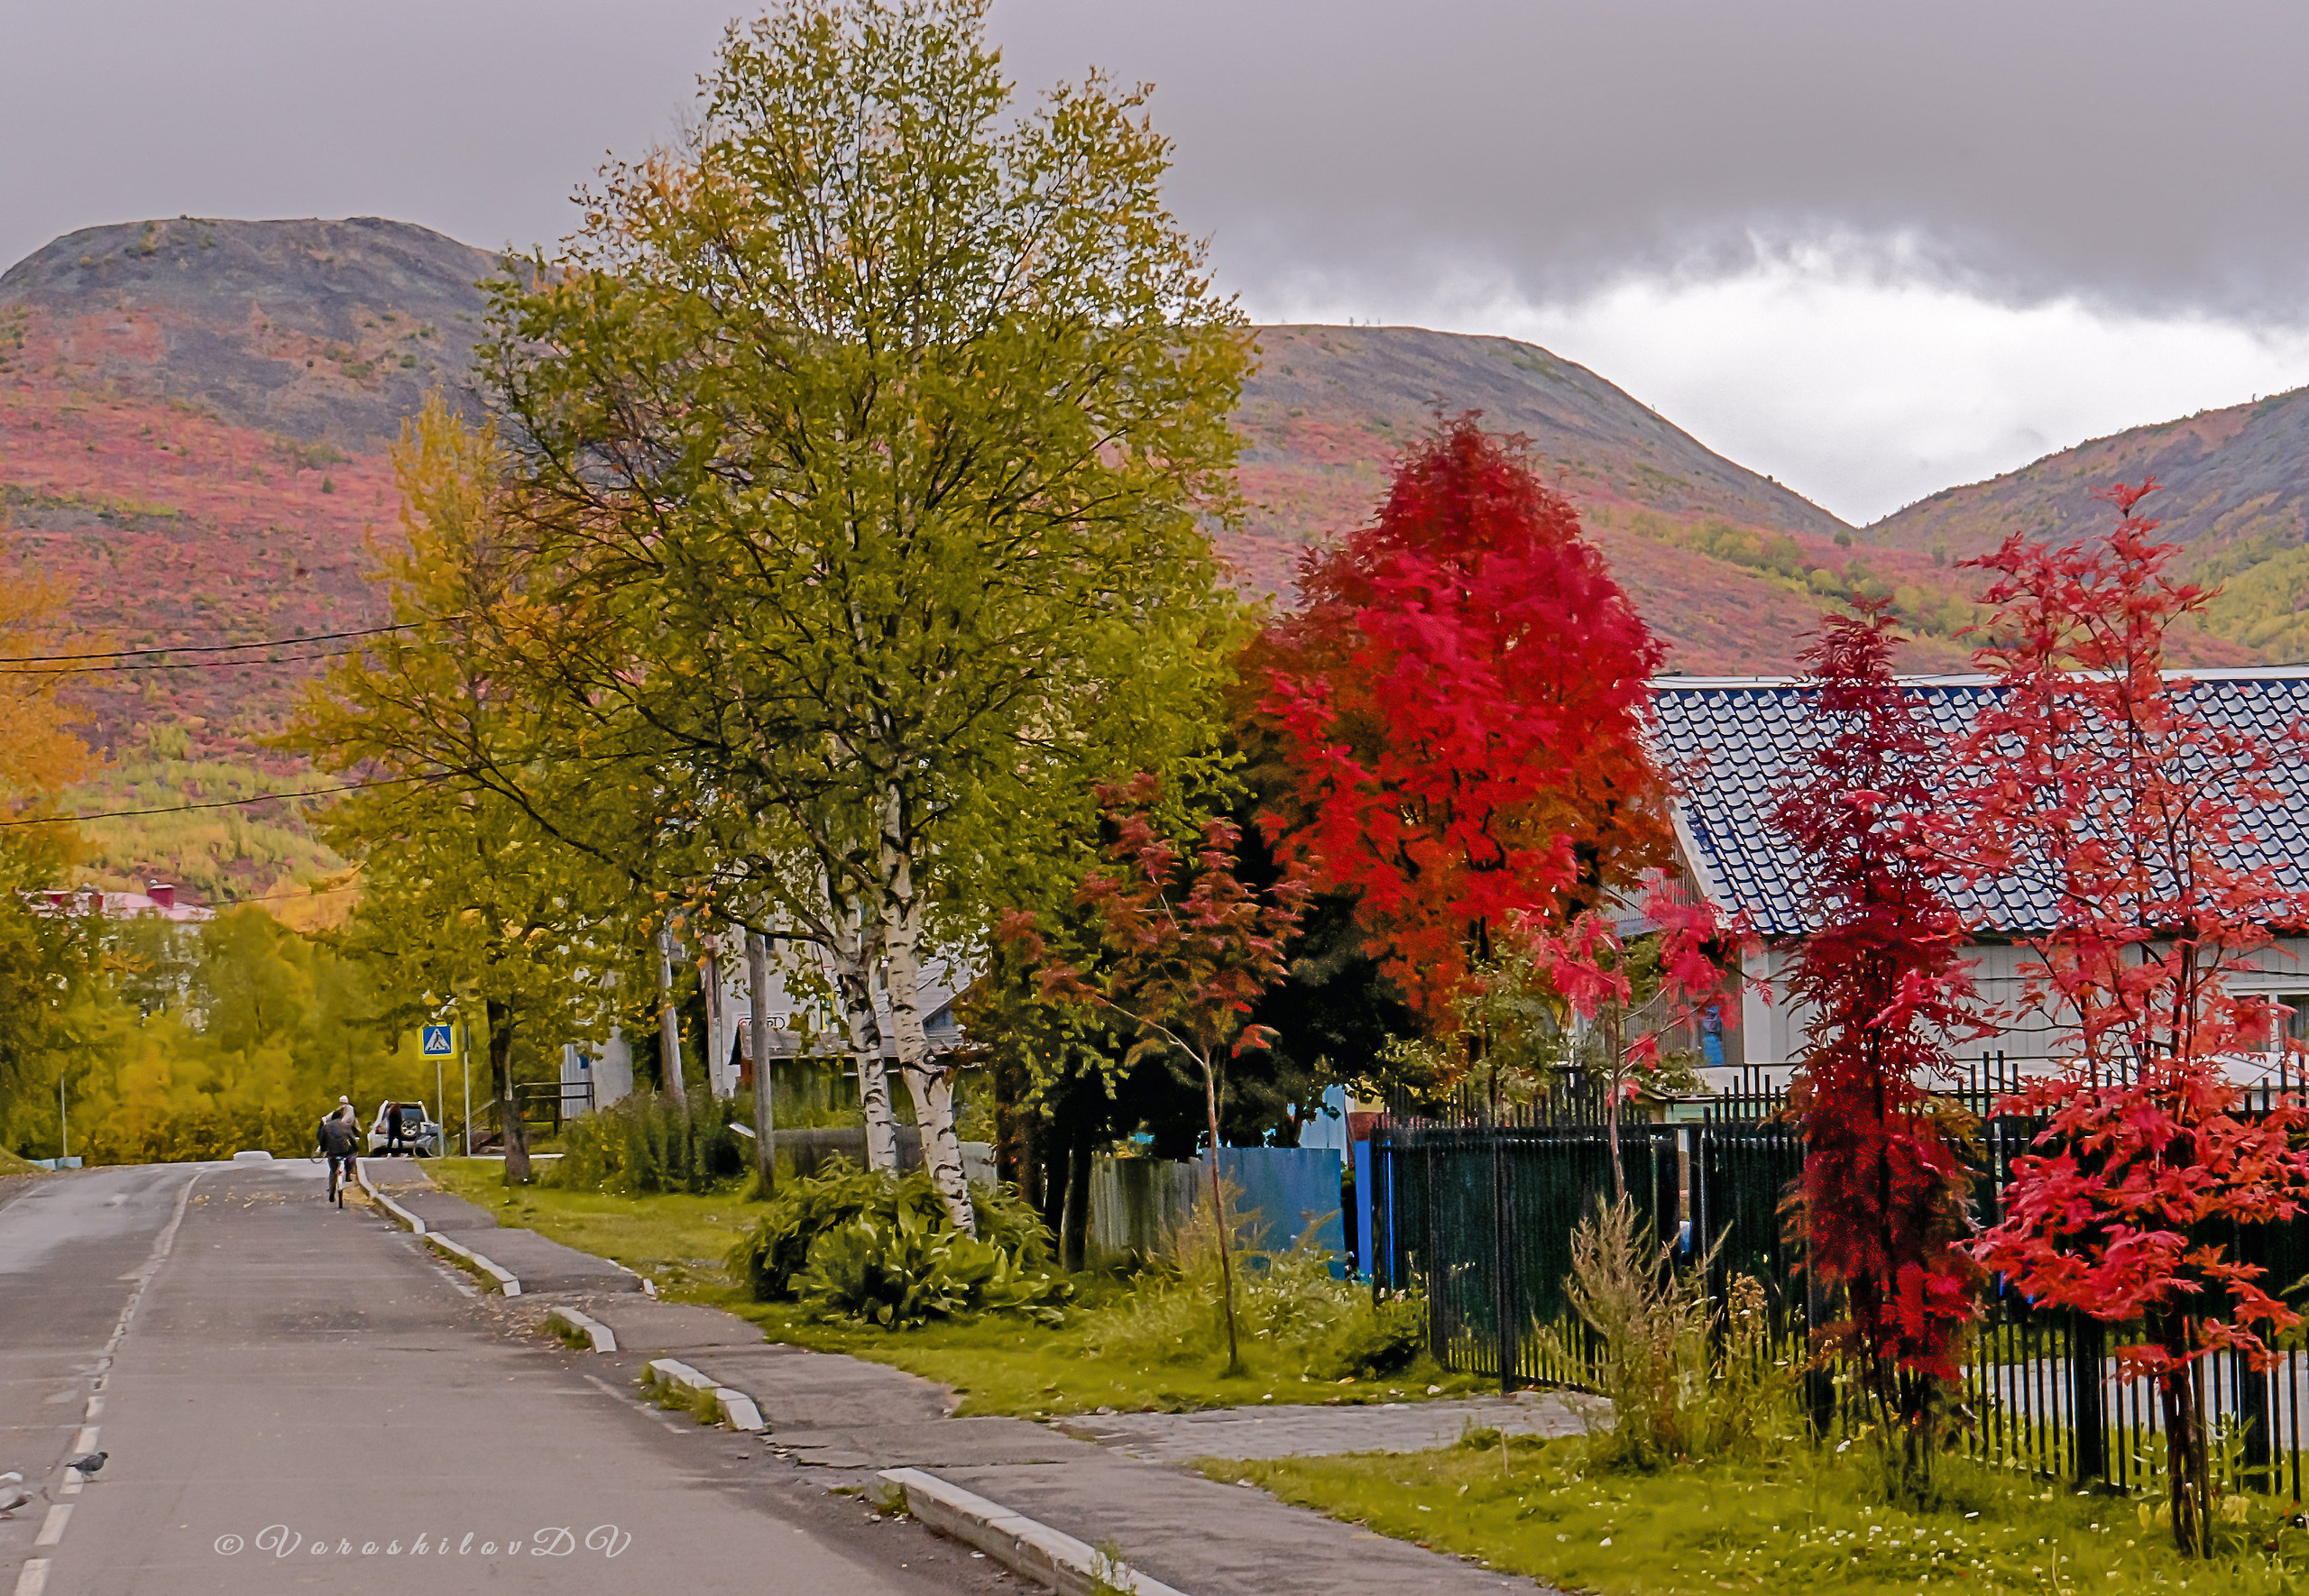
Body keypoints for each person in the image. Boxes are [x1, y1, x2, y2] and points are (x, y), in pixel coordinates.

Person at [316, 1103, 360, 1197]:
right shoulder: (344, 1125)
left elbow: (322, 1140)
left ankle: (331, 1191)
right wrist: (355, 1148)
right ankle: (348, 1175)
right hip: (344, 1150)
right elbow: (351, 1138)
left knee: (333, 1170)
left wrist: (323, 1149)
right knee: (349, 1157)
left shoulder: (326, 1127)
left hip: (332, 1152)